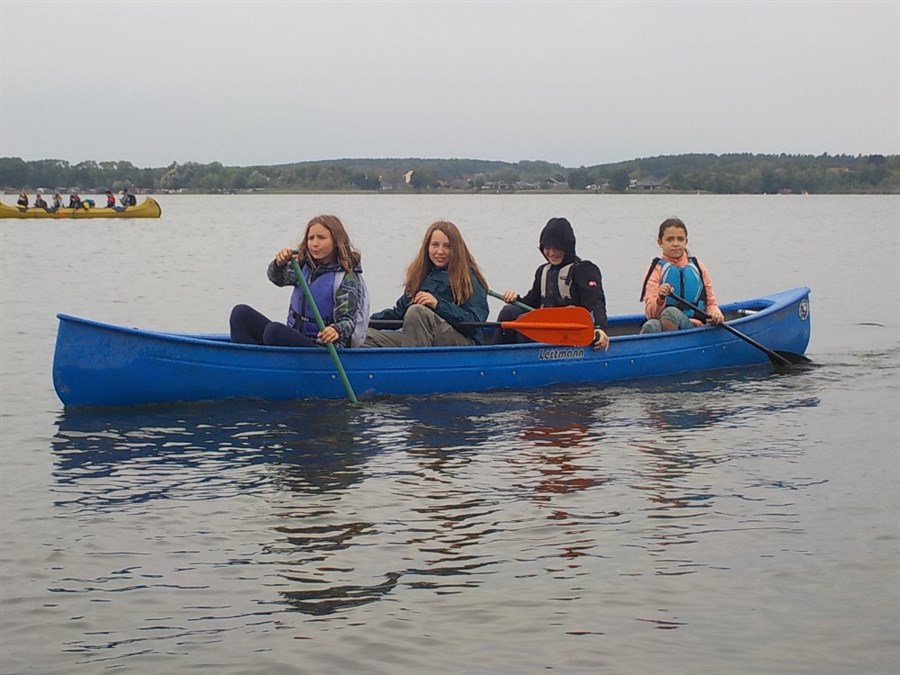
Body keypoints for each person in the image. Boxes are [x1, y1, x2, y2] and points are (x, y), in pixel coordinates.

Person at [230, 214, 368, 348]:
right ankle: (243, 358)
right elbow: (277, 279)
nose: (315, 243)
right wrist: (278, 264)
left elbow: (348, 321)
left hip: (323, 347)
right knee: (240, 313)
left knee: (273, 331)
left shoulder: (345, 277)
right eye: (311, 238)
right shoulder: (302, 265)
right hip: (296, 337)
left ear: (336, 241)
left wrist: (336, 329)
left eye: (321, 238)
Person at [364, 220, 489, 347]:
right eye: (435, 245)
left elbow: (475, 324)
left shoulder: (468, 278)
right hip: (417, 337)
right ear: (427, 247)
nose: (440, 251)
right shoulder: (420, 276)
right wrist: (365, 322)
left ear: (456, 249)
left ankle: (416, 358)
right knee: (363, 337)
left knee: (417, 312)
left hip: (461, 342)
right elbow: (398, 314)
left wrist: (438, 305)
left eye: (447, 246)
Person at [495, 217, 609, 350]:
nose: (552, 253)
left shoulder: (585, 270)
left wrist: (600, 328)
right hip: (546, 328)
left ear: (567, 248)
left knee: (524, 323)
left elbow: (596, 303)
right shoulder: (542, 271)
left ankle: (524, 358)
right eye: (547, 248)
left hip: (568, 332)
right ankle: (497, 353)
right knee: (509, 312)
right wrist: (515, 299)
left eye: (557, 248)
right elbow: (531, 303)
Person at [639, 217, 724, 333]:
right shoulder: (655, 269)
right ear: (660, 242)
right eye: (669, 239)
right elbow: (650, 314)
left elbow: (711, 304)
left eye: (680, 239)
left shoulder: (698, 267)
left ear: (686, 241)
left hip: (695, 326)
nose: (675, 244)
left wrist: (716, 314)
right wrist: (660, 298)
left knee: (671, 313)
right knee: (651, 325)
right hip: (664, 322)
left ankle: (671, 342)